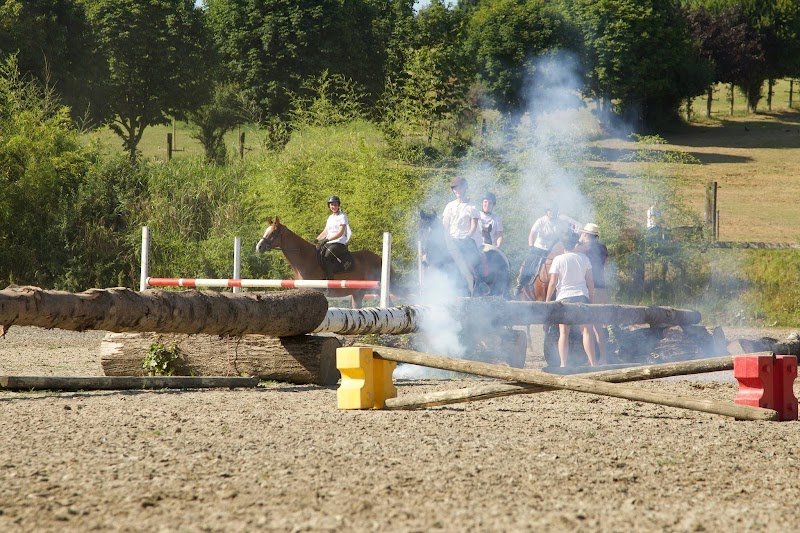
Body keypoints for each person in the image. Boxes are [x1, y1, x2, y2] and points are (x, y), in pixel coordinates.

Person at [545, 238, 596, 368]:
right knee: (586, 331)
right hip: (581, 296)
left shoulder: (558, 259)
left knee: (563, 333)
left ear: (563, 245)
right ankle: (593, 363)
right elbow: (590, 282)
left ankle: (563, 364)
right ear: (575, 244)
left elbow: (552, 282)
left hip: (564, 298)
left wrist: (547, 300)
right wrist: (591, 299)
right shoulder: (584, 258)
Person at [515, 206, 580, 295]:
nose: (553, 213)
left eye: (555, 211)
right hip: (539, 248)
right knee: (529, 262)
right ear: (547, 212)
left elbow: (566, 232)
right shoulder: (540, 221)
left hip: (552, 250)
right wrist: (531, 246)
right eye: (551, 211)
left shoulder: (560, 222)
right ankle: (520, 284)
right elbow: (532, 234)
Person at [442, 176, 485, 293]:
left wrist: (467, 237)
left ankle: (480, 284)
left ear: (464, 188)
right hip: (451, 240)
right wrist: (447, 238)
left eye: (458, 188)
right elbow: (445, 225)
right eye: (454, 188)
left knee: (475, 260)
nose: (456, 190)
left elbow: (473, 226)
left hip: (466, 240)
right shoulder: (449, 206)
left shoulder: (472, 207)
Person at [578, 223, 609, 364]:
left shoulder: (584, 248)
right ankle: (603, 357)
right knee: (599, 327)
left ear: (586, 234)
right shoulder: (603, 248)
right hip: (602, 288)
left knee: (587, 327)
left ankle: (591, 360)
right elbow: (605, 263)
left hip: (590, 289)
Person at [316, 195, 353, 278]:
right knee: (317, 252)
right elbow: (325, 232)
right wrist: (317, 240)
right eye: (332, 205)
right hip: (329, 242)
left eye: (335, 204)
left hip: (339, 242)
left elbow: (340, 233)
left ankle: (330, 279)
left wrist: (327, 239)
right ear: (329, 206)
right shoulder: (330, 218)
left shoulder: (342, 217)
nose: (333, 206)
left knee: (327, 256)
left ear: (338, 205)